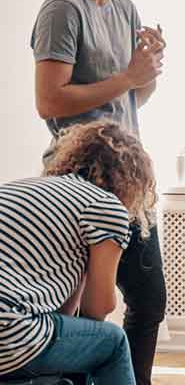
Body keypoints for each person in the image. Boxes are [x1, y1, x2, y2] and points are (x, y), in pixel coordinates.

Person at [30, 0, 166, 385]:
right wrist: (128, 77)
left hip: (129, 175)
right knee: (84, 307)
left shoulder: (126, 9)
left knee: (149, 301)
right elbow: (50, 100)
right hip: (78, 176)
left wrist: (148, 69)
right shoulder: (63, 9)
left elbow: (132, 99)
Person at [0, 120, 157, 384]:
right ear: (130, 179)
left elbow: (61, 318)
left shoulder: (18, 188)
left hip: (12, 330)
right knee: (112, 342)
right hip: (11, 333)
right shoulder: (104, 205)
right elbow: (98, 309)